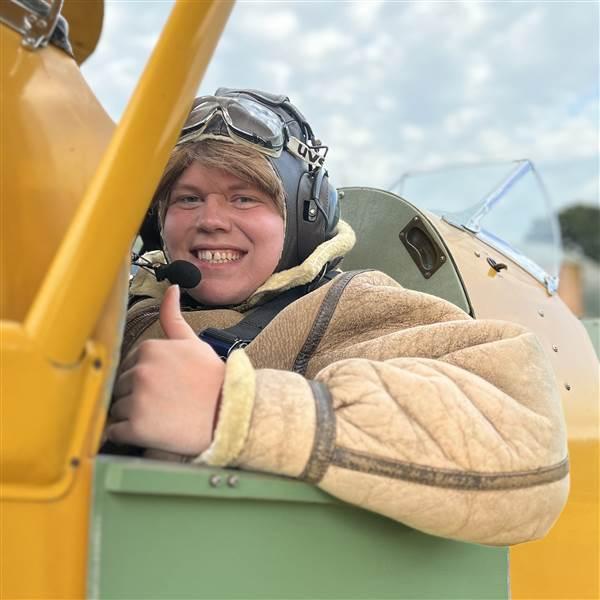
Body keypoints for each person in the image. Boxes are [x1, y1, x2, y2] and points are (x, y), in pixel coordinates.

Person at [107, 88, 569, 546]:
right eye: (187, 199)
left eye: (243, 198)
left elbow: (529, 441)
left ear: (307, 214)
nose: (211, 219)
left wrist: (235, 410)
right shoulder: (123, 315)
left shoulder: (349, 304)